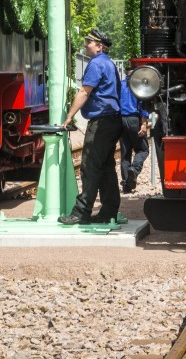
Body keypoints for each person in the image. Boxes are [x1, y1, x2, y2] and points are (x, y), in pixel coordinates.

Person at [60, 28, 121, 225]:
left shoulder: (96, 64)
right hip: (112, 119)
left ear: (99, 46)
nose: (86, 44)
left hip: (101, 121)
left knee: (90, 167)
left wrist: (69, 116)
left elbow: (84, 92)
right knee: (106, 167)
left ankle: (81, 212)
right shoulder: (109, 64)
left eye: (89, 42)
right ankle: (109, 211)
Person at [118, 75, 150, 193]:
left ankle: (126, 186)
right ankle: (134, 170)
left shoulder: (120, 84)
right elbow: (142, 104)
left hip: (121, 120)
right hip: (134, 120)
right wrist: (144, 123)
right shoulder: (138, 84)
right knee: (143, 150)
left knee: (125, 154)